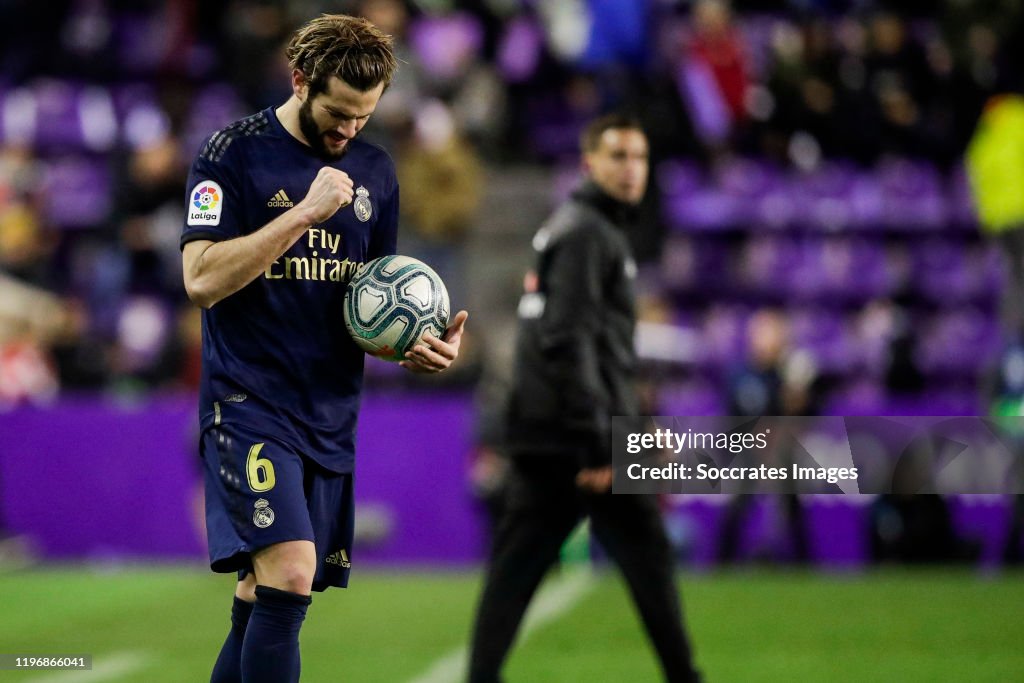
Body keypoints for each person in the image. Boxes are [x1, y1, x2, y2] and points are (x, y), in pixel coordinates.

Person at [179, 15, 468, 683]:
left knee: (263, 594)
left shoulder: (375, 172)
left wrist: (415, 349)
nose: (348, 131)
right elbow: (200, 280)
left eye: (363, 117)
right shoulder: (232, 153)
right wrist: (302, 213)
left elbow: (372, 305)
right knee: (291, 572)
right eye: (337, 113)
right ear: (300, 80)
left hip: (330, 411)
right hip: (249, 399)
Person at [466, 114, 701, 683]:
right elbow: (568, 343)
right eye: (618, 156)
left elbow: (594, 348)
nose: (630, 169)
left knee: (518, 573)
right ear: (590, 162)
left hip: (561, 431)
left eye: (639, 158)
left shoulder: (578, 229)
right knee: (646, 565)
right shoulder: (589, 234)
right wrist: (601, 445)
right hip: (576, 439)